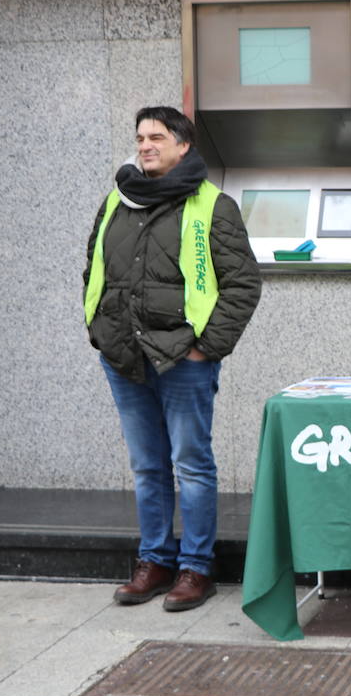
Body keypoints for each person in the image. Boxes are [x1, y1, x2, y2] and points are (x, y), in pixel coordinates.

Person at [83, 106, 261, 611]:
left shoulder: (212, 205)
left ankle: (195, 568)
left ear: (183, 145)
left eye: (156, 137)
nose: (144, 145)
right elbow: (94, 267)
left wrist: (207, 347)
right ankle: (155, 560)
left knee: (192, 465)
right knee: (147, 467)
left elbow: (243, 284)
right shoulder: (118, 200)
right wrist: (99, 329)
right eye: (139, 137)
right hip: (124, 356)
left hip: (184, 358)